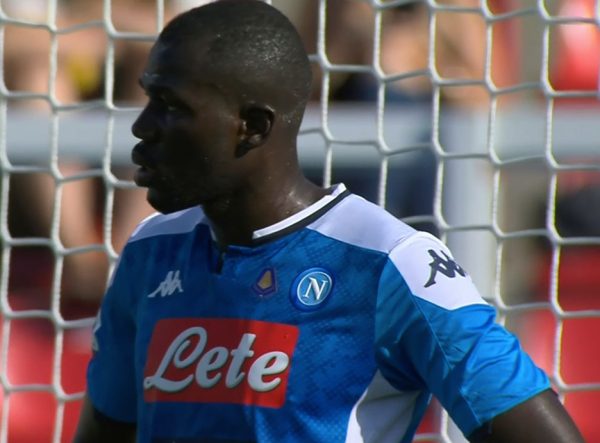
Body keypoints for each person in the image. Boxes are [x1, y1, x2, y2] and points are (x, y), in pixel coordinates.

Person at [74, 1, 584, 442]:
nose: (142, 126)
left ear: (252, 127)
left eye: (170, 107)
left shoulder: (390, 263)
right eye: (148, 99)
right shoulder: (150, 251)